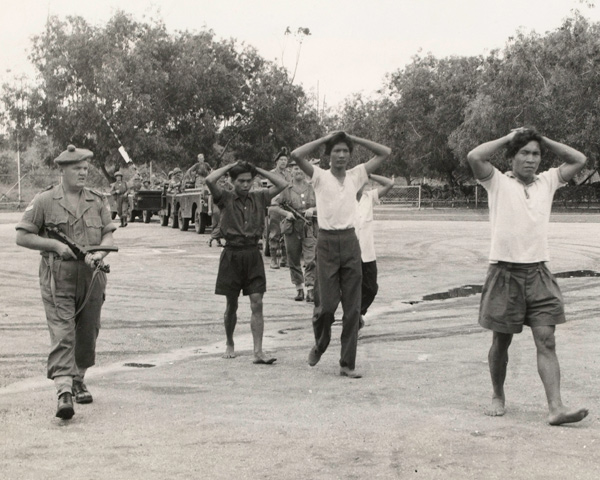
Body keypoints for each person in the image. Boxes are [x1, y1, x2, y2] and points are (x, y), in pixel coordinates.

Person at [466, 127, 589, 426]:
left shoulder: (547, 181)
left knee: (546, 340)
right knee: (501, 341)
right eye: (524, 153)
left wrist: (541, 138)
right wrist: (511, 138)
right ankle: (498, 394)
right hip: (504, 272)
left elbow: (579, 159)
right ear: (511, 157)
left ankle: (556, 407)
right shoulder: (496, 181)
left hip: (538, 272)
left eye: (535, 154)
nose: (531, 159)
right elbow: (474, 156)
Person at [15, 144, 117, 420]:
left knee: (88, 331)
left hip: (92, 277)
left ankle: (78, 378)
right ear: (63, 170)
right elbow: (22, 235)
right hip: (57, 276)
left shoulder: (97, 200)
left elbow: (109, 236)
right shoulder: (45, 200)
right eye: (77, 169)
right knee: (62, 334)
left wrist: (100, 252)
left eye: (85, 168)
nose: (83, 173)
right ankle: (64, 392)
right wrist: (53, 245)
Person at [291, 131, 391, 378]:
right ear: (328, 155)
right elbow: (296, 154)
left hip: (349, 242)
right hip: (325, 242)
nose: (342, 155)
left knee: (352, 308)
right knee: (326, 307)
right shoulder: (319, 177)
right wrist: (325, 140)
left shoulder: (357, 175)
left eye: (346, 151)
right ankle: (320, 344)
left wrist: (355, 138)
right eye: (336, 150)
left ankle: (347, 363)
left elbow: (385, 152)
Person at [205, 160, 288, 364]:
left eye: (249, 181)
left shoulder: (259, 197)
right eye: (241, 181)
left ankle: (258, 351)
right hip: (232, 253)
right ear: (232, 182)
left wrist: (257, 168)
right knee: (231, 305)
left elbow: (282, 184)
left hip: (252, 253)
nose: (245, 185)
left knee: (257, 303)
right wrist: (231, 165)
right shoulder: (224, 197)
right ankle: (229, 342)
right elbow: (209, 179)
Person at [269, 158, 318, 302]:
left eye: (302, 169)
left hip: (308, 226)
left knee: (311, 259)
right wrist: (286, 213)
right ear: (291, 171)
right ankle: (299, 288)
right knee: (293, 259)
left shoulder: (311, 188)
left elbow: (323, 204)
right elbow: (273, 205)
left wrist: (312, 209)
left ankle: (310, 289)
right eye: (296, 169)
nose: (299, 172)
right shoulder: (285, 189)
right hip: (291, 227)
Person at [355, 174, 395, 329]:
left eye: (363, 182)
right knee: (351, 288)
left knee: (371, 288)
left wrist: (369, 173)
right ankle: (352, 316)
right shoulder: (344, 199)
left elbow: (389, 184)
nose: (361, 186)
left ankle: (358, 312)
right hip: (349, 253)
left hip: (367, 252)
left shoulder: (369, 197)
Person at [267, 148, 292, 269]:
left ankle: (284, 258)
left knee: (286, 232)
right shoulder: (272, 174)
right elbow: (272, 190)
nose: (283, 162)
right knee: (275, 232)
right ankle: (273, 259)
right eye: (281, 160)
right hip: (275, 206)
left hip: (287, 206)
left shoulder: (289, 174)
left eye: (285, 160)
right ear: (276, 161)